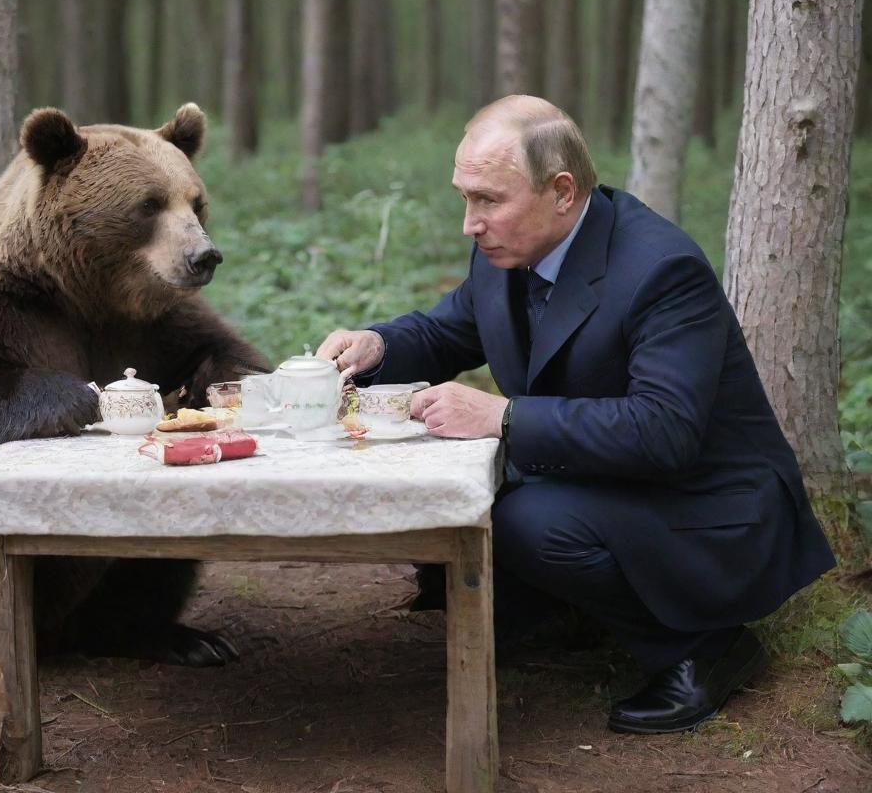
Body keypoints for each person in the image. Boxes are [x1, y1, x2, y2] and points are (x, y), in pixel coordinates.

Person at [316, 95, 835, 734]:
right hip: (605, 479)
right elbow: (448, 331)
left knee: (525, 519)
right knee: (462, 495)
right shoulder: (509, 246)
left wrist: (503, 417)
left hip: (709, 501)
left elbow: (665, 433)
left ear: (562, 191)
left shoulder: (661, 270)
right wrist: (378, 344)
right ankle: (565, 613)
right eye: (465, 198)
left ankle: (706, 651)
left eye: (488, 200)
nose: (469, 224)